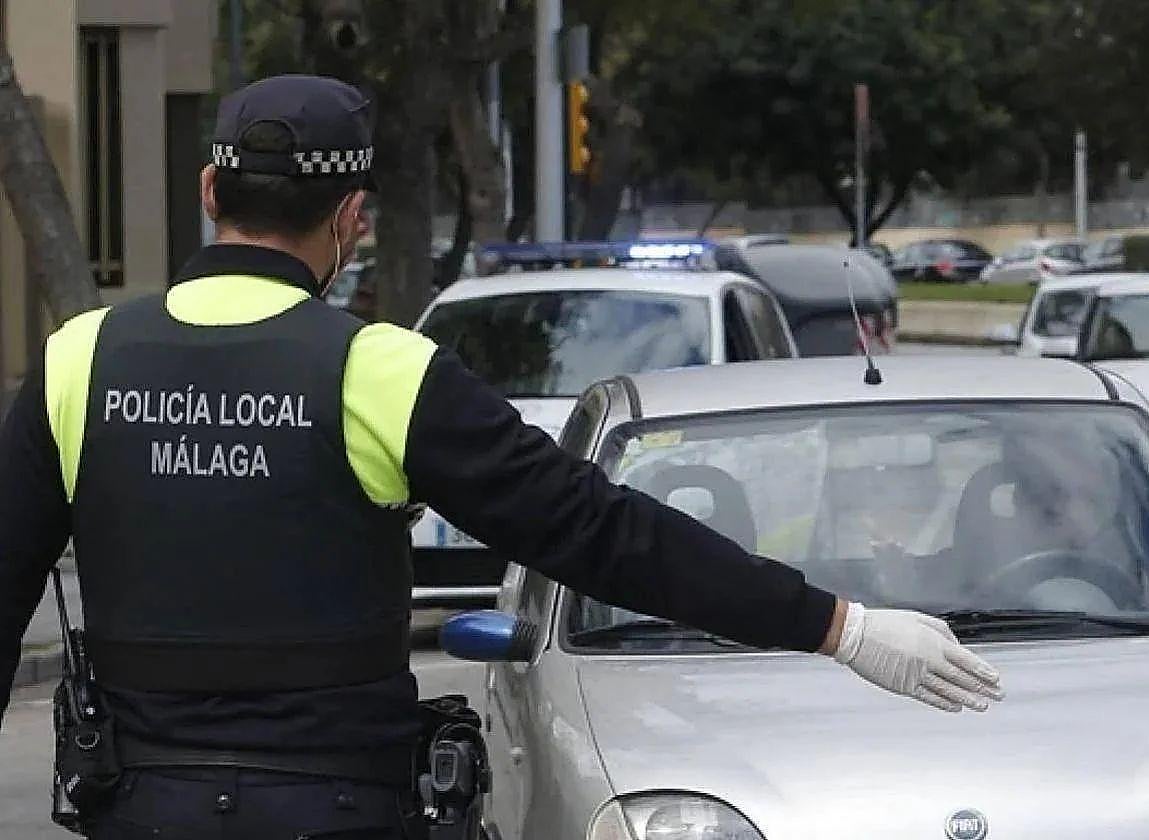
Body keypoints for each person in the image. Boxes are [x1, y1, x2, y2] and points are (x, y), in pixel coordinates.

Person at [0, 75, 1003, 839]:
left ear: (210, 189)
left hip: (141, 807)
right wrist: (840, 626)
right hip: (339, 807)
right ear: (351, 219)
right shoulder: (380, 372)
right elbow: (602, 535)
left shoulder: (76, 362)